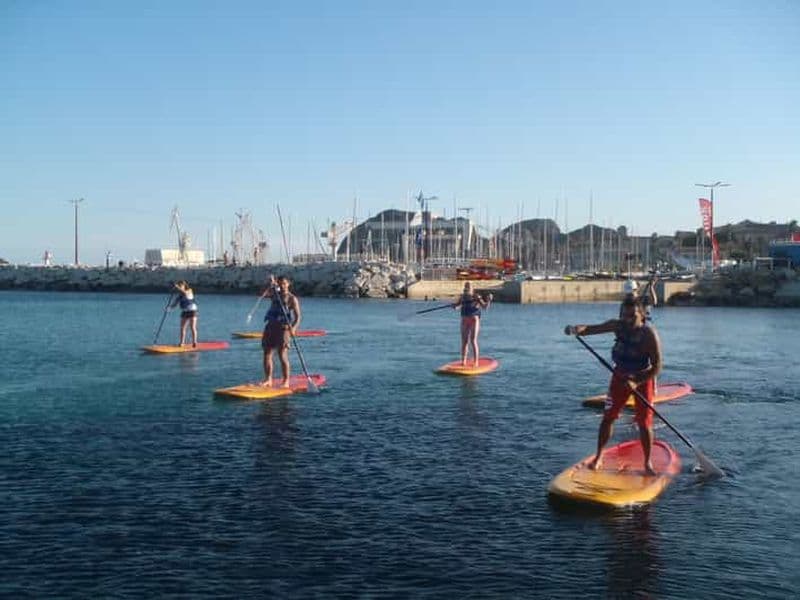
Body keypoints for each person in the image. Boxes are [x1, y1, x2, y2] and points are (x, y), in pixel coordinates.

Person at [565, 297, 662, 475]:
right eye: (624, 316)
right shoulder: (618, 326)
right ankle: (599, 457)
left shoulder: (649, 335)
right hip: (620, 376)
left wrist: (636, 381)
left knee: (644, 422)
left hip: (642, 377)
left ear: (642, 315)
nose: (628, 320)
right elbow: (591, 329)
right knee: (608, 418)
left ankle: (647, 463)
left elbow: (657, 367)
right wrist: (575, 329)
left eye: (632, 316)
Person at [260, 275, 301, 387]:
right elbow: (262, 294)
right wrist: (270, 284)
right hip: (270, 326)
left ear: (288, 284)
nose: (282, 286)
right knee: (267, 353)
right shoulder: (274, 294)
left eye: (284, 283)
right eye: (280, 284)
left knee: (282, 354)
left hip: (283, 328)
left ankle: (286, 381)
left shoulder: (292, 299)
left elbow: (298, 317)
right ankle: (268, 379)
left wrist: (294, 328)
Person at [451, 281, 493, 367]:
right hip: (464, 320)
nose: (466, 288)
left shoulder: (477, 297)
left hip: (474, 320)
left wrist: (489, 300)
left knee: (473, 340)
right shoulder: (462, 297)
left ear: (472, 288)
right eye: (465, 287)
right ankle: (463, 362)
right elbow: (458, 307)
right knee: (464, 342)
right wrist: (454, 306)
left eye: (468, 287)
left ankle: (476, 362)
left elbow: (485, 307)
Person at [171, 281, 198, 347]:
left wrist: (177, 287)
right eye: (179, 286)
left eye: (181, 286)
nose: (180, 287)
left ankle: (194, 342)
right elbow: (174, 304)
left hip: (192, 311)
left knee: (192, 327)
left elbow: (184, 293)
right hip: (184, 311)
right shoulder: (179, 296)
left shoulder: (189, 290)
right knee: (182, 328)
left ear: (184, 286)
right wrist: (169, 308)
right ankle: (182, 343)